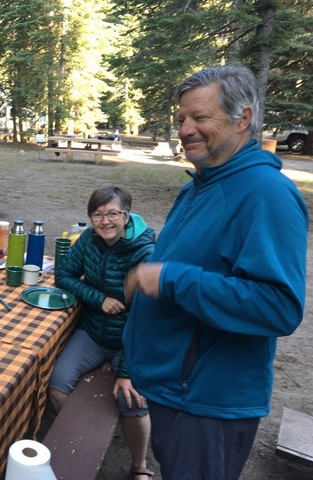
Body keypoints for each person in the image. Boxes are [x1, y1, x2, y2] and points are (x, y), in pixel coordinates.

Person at [123, 66, 308, 480]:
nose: (186, 129)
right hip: (175, 390)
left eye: (200, 117)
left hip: (208, 403)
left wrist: (171, 278)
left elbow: (279, 306)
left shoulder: (267, 194)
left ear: (242, 118)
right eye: (182, 119)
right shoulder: (199, 185)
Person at [50, 185, 156, 480]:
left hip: (130, 340)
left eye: (113, 213)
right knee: (56, 383)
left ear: (127, 215)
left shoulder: (145, 251)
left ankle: (139, 464)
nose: (104, 221)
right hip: (93, 332)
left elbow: (148, 318)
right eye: (97, 214)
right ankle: (87, 440)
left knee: (132, 400)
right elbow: (64, 276)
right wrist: (99, 299)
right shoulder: (88, 239)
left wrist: (126, 370)